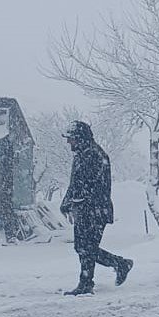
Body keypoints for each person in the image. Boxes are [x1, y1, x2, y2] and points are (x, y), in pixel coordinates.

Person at [59, 120, 132, 295]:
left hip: (94, 210)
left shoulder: (94, 155)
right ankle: (120, 264)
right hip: (86, 209)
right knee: (83, 247)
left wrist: (76, 202)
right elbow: (75, 184)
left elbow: (89, 186)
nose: (69, 142)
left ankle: (87, 283)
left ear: (80, 138)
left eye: (71, 138)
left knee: (87, 248)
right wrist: (67, 203)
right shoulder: (82, 155)